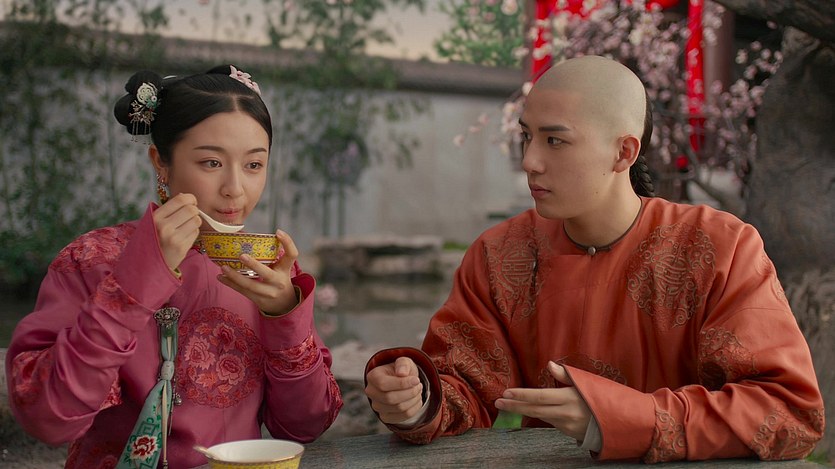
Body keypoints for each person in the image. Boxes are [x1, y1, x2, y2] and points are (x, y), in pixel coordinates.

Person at [363, 56, 824, 462]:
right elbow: (463, 385)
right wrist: (416, 399)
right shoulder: (500, 254)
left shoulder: (720, 247)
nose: (529, 161)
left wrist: (619, 419)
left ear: (623, 152)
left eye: (554, 141)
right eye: (527, 136)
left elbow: (787, 411)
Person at [6, 65, 343, 468]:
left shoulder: (267, 272)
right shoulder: (92, 260)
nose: (235, 189)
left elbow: (306, 425)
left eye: (254, 165)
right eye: (211, 163)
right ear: (161, 163)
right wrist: (134, 286)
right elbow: (48, 417)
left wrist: (285, 315)